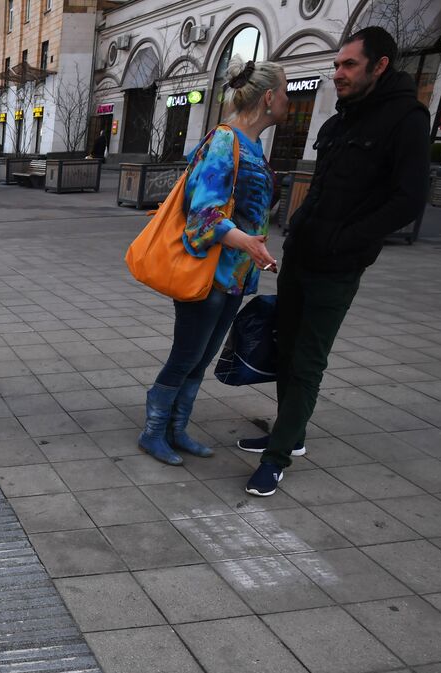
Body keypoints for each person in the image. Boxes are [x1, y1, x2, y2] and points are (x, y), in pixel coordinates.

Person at [241, 26, 429, 496]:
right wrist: (298, 225)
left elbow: (409, 199)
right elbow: (323, 187)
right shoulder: (341, 119)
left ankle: (276, 458)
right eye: (336, 64)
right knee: (286, 350)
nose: (338, 73)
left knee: (307, 360)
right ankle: (290, 434)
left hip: (339, 266)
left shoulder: (405, 118)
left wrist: (346, 239)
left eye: (349, 65)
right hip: (302, 255)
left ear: (379, 66)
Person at [137, 57, 287, 466]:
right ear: (269, 97)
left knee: (202, 358)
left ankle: (177, 429)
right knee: (186, 356)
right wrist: (249, 243)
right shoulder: (225, 140)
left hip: (233, 276)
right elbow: (203, 214)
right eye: (285, 92)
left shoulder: (252, 146)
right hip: (207, 274)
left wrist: (250, 249)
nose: (288, 101)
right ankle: (153, 432)